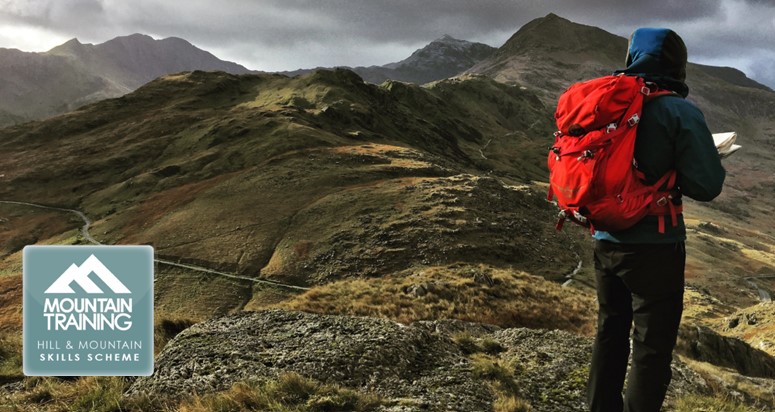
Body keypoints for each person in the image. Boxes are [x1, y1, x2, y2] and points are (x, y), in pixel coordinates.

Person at [586, 28, 726, 412]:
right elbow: (706, 185)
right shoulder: (678, 111)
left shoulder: (607, 102)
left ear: (632, 57)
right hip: (656, 245)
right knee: (651, 347)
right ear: (678, 64)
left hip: (606, 238)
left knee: (609, 331)